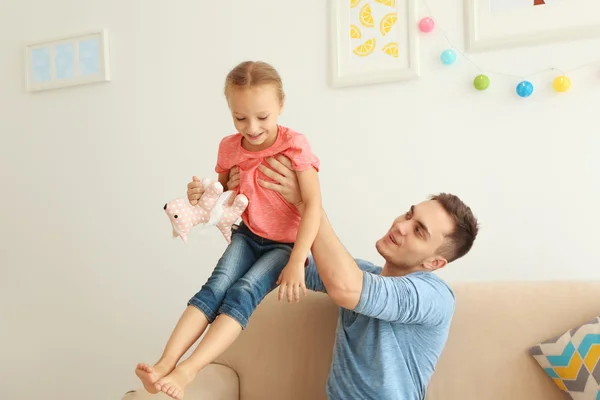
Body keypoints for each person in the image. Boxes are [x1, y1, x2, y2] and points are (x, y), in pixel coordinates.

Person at [135, 61, 322, 399]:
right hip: (248, 235)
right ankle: (165, 363)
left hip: (284, 245)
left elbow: (313, 205)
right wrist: (198, 194)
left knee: (243, 291)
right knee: (215, 287)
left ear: (281, 105)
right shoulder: (229, 147)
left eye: (262, 117)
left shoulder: (294, 145)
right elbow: (217, 196)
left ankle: (188, 370)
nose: (251, 128)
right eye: (240, 118)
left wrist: (297, 260)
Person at [255, 155, 479, 400]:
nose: (401, 226)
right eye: (408, 215)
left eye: (418, 231)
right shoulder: (361, 274)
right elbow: (280, 259)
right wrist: (237, 206)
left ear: (433, 263)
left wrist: (309, 202)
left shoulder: (434, 296)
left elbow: (347, 288)